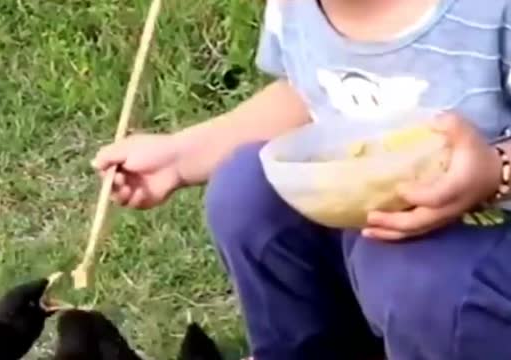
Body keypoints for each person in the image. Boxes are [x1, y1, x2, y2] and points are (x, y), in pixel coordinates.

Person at [92, 0, 511, 358]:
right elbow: (313, 92)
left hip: (478, 254)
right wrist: (181, 156)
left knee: (410, 272)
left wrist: (496, 171)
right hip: (394, 236)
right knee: (247, 192)